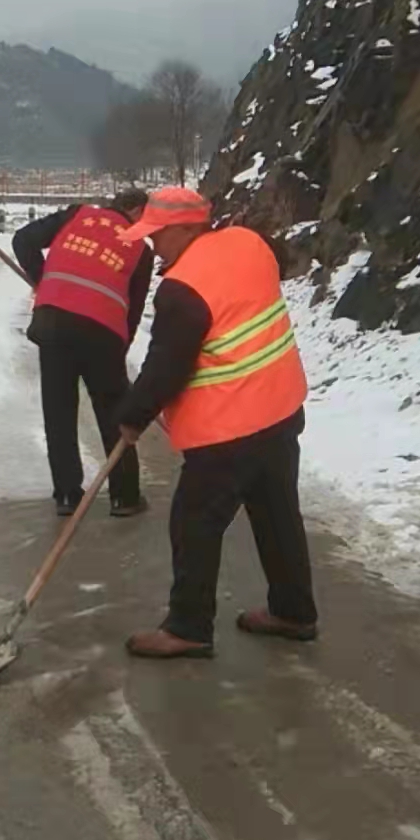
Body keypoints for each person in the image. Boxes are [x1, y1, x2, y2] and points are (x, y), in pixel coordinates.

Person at [115, 185, 318, 659]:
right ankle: (294, 612)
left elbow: (166, 366)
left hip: (230, 430)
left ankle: (188, 626)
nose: (152, 244)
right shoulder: (249, 242)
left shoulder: (182, 288)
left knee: (194, 523)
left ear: (188, 228)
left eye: (159, 235)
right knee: (277, 513)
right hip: (282, 409)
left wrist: (131, 417)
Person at [13, 189, 152, 517]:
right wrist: (120, 351)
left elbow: (23, 241)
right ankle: (125, 496)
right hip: (101, 332)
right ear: (133, 211)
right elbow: (132, 312)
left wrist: (43, 280)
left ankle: (66, 494)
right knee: (114, 410)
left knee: (58, 410)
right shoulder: (140, 250)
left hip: (52, 322)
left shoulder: (77, 215)